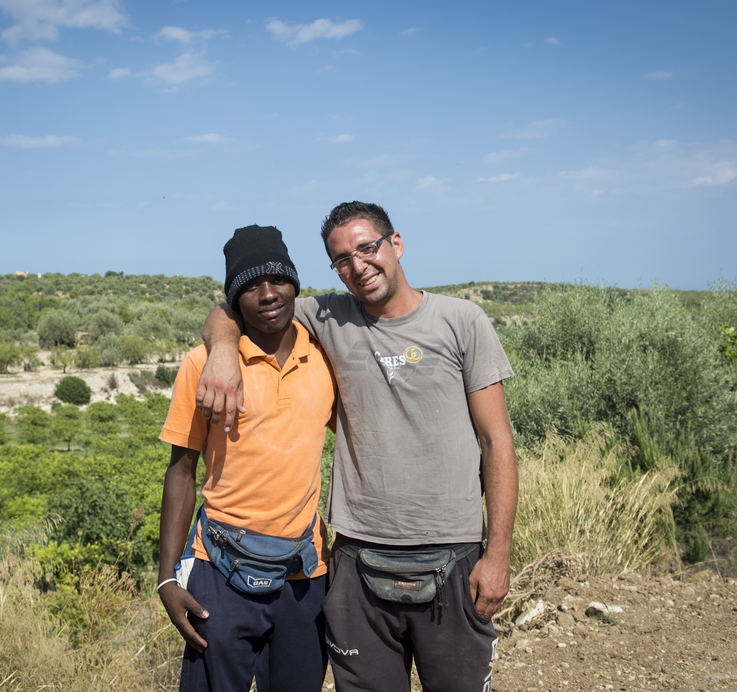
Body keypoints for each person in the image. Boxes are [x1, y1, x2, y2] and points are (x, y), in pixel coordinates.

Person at [197, 202, 518, 692]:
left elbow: (497, 442)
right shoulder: (328, 315)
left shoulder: (462, 321)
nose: (358, 265)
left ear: (396, 243)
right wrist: (222, 349)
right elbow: (236, 305)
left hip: (452, 555)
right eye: (342, 258)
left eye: (367, 247)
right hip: (356, 559)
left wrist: (497, 555)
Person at [157, 224, 337, 692]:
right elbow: (181, 471)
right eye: (250, 285)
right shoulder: (204, 364)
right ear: (233, 299)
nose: (268, 293)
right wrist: (166, 579)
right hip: (220, 570)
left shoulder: (324, 356)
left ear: (295, 282)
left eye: (277, 278)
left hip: (304, 573)